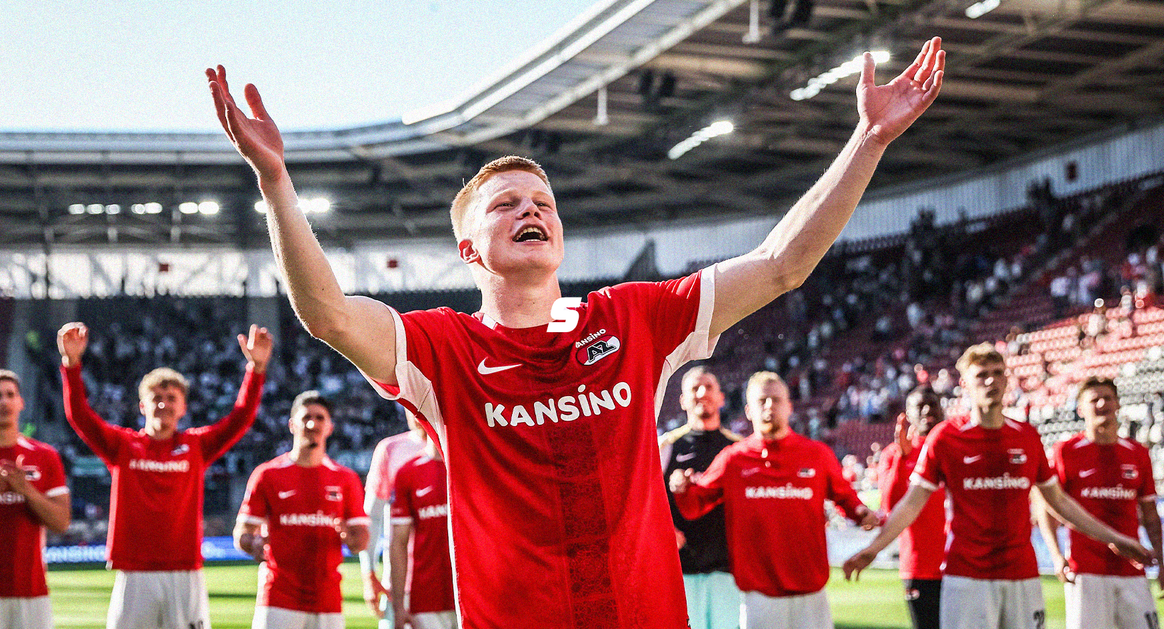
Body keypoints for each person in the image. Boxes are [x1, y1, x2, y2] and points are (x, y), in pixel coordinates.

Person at [207, 37, 946, 628]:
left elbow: (781, 264)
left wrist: (869, 141)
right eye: (504, 205)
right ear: (468, 250)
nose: (531, 209)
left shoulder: (634, 317)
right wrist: (276, 182)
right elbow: (327, 313)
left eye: (543, 200)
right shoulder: (443, 348)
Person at [843, 343, 1152, 629]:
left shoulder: (1027, 437)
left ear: (1006, 381)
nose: (990, 381)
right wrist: (873, 549)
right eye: (981, 376)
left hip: (1022, 576)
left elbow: (1059, 501)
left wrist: (1115, 539)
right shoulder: (946, 438)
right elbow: (911, 503)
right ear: (964, 385)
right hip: (966, 578)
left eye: (996, 374)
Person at [57, 321, 272, 629]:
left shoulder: (196, 445)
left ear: (183, 407)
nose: (163, 404)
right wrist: (71, 363)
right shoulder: (123, 445)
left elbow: (240, 419)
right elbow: (79, 415)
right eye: (156, 397)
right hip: (134, 571)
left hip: (184, 571)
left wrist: (256, 369)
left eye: (172, 398)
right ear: (142, 405)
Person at [670, 371, 879, 629]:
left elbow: (846, 497)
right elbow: (694, 506)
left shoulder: (816, 454)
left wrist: (861, 512)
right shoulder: (733, 459)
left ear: (789, 406)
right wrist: (681, 487)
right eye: (762, 401)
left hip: (811, 593)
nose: (769, 406)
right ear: (748, 411)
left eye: (776, 400)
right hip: (758, 596)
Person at [1035, 377, 1162, 629]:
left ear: (1118, 404)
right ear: (1081, 410)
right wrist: (1057, 555)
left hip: (1133, 571)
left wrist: (1162, 557)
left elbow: (1149, 514)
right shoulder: (1066, 451)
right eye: (1094, 399)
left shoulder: (1138, 453)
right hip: (1085, 571)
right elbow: (1046, 508)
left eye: (1108, 398)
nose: (1102, 404)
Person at [235, 390, 369, 629]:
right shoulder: (267, 475)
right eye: (306, 417)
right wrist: (252, 544)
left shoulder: (345, 479)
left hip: (327, 600)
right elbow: (242, 534)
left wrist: (350, 537)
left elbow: (361, 541)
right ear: (291, 424)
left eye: (320, 418)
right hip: (277, 598)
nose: (312, 423)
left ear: (329, 427)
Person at [0, 369, 70, 629]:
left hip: (31, 591)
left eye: (11, 395)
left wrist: (27, 491)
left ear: (21, 402)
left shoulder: (45, 456)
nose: (4, 402)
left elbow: (61, 523)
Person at [658, 366, 740, 629]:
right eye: (694, 388)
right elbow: (642, 501)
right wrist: (665, 530)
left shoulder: (738, 448)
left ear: (721, 397)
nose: (702, 393)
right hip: (680, 571)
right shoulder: (665, 446)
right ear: (682, 399)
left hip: (727, 570)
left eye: (708, 387)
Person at [875, 385, 947, 629]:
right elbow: (889, 506)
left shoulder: (954, 449)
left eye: (933, 404)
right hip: (920, 568)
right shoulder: (892, 454)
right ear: (908, 414)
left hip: (961, 565)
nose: (927, 409)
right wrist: (902, 458)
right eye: (920, 405)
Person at [362, 411, 428, 629]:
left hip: (455, 579)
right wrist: (368, 572)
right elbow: (371, 516)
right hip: (401, 584)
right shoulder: (391, 450)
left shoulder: (459, 444)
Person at [389, 432, 456, 629]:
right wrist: (399, 606)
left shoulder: (476, 466)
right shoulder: (408, 472)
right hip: (427, 597)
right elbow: (398, 543)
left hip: (475, 594)